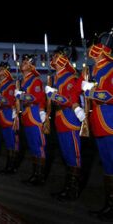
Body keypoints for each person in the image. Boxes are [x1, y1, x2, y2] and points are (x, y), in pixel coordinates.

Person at [79, 31, 113, 221]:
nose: (92, 48)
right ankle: (109, 204)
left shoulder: (111, 69)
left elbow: (111, 96)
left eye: (96, 45)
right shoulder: (92, 70)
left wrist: (92, 92)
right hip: (98, 122)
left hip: (110, 122)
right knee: (107, 165)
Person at [45, 46, 84, 202]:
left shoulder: (70, 77)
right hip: (60, 119)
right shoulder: (56, 77)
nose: (52, 59)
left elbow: (70, 100)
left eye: (55, 56)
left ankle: (73, 190)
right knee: (66, 156)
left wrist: (53, 95)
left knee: (74, 155)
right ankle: (68, 187)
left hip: (70, 119)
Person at [15, 55, 47, 186]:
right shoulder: (22, 81)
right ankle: (35, 174)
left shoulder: (35, 80)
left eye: (25, 62)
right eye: (22, 62)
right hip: (26, 116)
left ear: (30, 66)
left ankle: (40, 176)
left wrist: (22, 95)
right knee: (33, 146)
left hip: (34, 115)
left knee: (39, 145)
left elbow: (37, 97)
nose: (22, 64)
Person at [0, 62, 19, 175]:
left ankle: (12, 167)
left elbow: (9, 101)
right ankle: (8, 165)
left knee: (13, 142)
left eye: (2, 68)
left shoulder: (10, 85)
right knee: (8, 142)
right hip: (2, 115)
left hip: (8, 115)